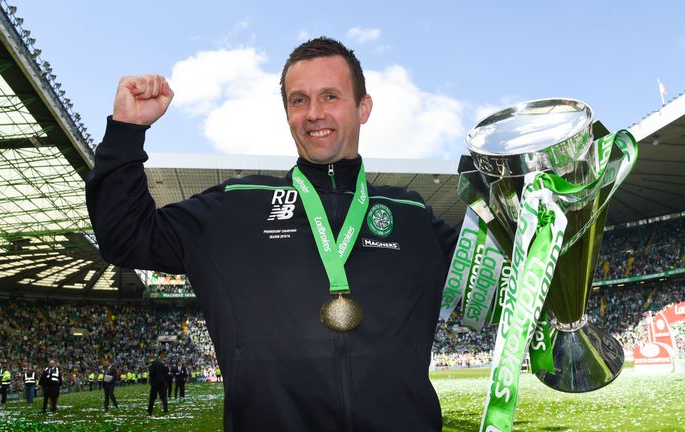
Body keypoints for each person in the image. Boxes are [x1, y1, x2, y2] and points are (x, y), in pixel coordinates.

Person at [86, 37, 455, 431]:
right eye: (299, 100)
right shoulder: (238, 206)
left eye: (330, 96)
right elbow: (123, 235)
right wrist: (126, 131)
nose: (314, 113)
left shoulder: (412, 216)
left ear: (363, 108)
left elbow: (510, 279)